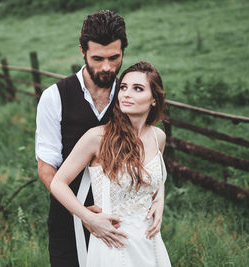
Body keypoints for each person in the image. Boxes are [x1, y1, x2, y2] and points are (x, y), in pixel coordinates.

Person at [50, 61, 172, 266]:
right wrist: (88, 218)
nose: (126, 93)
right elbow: (58, 183)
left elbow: (156, 178)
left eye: (138, 89)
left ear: (154, 99)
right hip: (113, 243)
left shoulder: (158, 137)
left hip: (149, 241)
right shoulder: (97, 137)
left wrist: (159, 201)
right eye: (123, 87)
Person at [35, 10, 132, 267]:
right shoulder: (54, 97)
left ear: (123, 50)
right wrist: (82, 214)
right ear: (82, 51)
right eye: (97, 58)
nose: (107, 67)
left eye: (115, 57)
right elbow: (46, 168)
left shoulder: (130, 98)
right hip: (68, 218)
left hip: (121, 221)